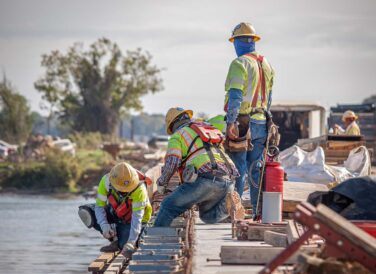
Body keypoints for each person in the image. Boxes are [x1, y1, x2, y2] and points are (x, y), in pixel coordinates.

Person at [154, 107, 244, 226]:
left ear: (172, 125)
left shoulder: (178, 135)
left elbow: (173, 162)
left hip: (204, 179)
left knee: (168, 206)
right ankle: (228, 208)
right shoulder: (206, 129)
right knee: (207, 216)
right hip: (228, 181)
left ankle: (158, 236)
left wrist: (162, 183)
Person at [224, 22, 275, 213]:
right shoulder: (266, 64)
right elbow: (269, 98)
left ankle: (235, 212)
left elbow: (236, 95)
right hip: (262, 122)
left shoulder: (240, 63)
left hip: (242, 123)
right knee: (256, 169)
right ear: (253, 41)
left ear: (238, 42)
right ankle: (256, 210)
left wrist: (230, 121)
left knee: (238, 169)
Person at [78, 162, 152, 258]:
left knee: (125, 246)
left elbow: (137, 219)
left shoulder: (140, 189)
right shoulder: (105, 181)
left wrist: (131, 242)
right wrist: (104, 225)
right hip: (118, 213)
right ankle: (114, 239)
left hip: (137, 220)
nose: (124, 192)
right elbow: (99, 206)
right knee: (86, 212)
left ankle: (123, 241)